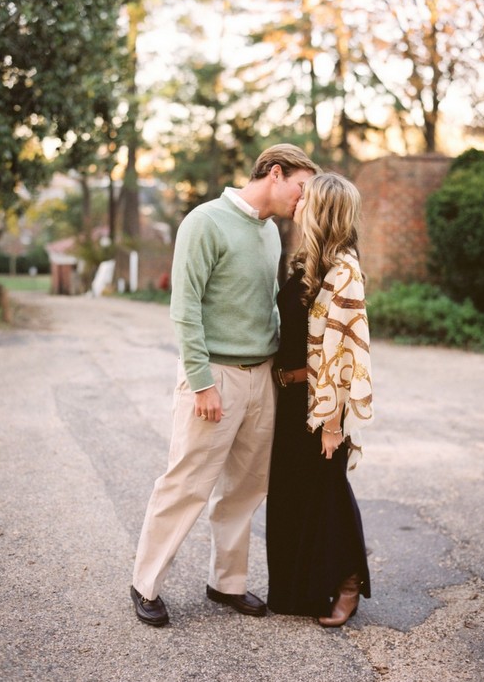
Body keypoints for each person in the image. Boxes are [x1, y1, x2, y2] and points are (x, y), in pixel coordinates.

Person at [130, 144, 320, 627]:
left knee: (246, 488)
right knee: (187, 482)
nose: (304, 199)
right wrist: (200, 383)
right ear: (274, 174)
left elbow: (269, 308)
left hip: (262, 378)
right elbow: (185, 308)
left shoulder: (272, 233)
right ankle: (145, 583)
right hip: (213, 376)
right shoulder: (205, 221)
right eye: (300, 188)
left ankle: (226, 583)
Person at [266, 172, 373, 627]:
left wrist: (331, 422)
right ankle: (300, 591)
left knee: (328, 493)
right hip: (291, 399)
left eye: (306, 198)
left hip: (321, 404)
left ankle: (349, 584)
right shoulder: (309, 263)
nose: (299, 202)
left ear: (323, 210)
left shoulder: (344, 272)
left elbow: (347, 352)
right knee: (293, 496)